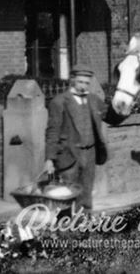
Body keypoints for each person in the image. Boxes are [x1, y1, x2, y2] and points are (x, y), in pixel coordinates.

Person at [44, 66, 108, 210]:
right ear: (72, 80)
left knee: (86, 196)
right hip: (68, 155)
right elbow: (52, 131)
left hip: (89, 154)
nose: (83, 86)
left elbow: (109, 116)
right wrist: (49, 158)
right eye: (80, 82)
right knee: (66, 196)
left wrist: (124, 109)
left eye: (86, 83)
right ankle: (66, 228)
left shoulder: (94, 99)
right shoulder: (59, 101)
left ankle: (84, 228)